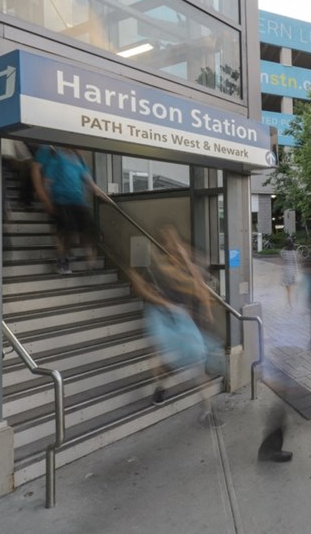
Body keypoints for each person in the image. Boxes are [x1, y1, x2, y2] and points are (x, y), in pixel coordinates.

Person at [127, 225, 219, 427]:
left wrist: (206, 311)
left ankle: (207, 410)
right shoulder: (157, 267)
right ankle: (160, 386)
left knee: (197, 362)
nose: (175, 246)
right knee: (161, 356)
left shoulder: (186, 264)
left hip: (180, 315)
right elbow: (140, 287)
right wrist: (164, 304)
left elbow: (199, 285)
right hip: (159, 314)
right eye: (169, 241)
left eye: (176, 241)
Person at [31, 145, 112, 274]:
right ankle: (63, 262)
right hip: (60, 200)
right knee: (64, 233)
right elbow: (48, 181)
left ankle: (88, 259)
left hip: (78, 201)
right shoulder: (56, 158)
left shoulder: (80, 161)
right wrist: (47, 200)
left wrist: (109, 199)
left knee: (89, 231)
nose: (82, 149)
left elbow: (91, 185)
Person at [280, 236, 298, 308]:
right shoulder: (294, 252)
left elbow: (281, 254)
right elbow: (295, 262)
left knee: (288, 289)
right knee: (290, 290)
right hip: (292, 270)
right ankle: (290, 303)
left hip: (286, 270)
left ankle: (289, 302)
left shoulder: (283, 252)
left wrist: (284, 246)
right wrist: (297, 271)